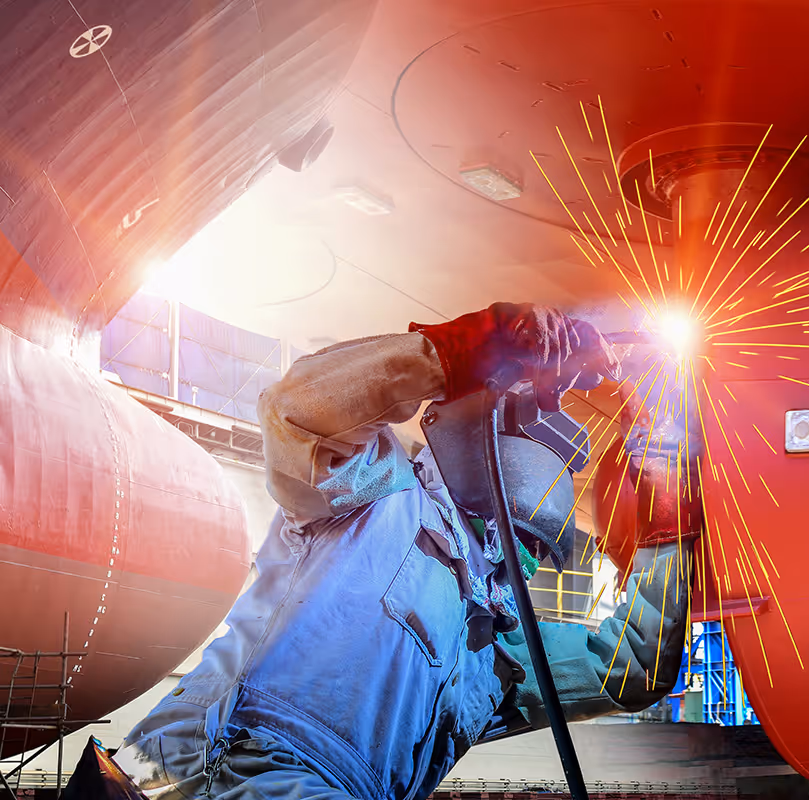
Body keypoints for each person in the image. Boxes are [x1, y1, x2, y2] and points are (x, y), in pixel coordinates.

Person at [111, 303, 703, 800]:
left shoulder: (492, 652)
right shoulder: (373, 496)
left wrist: (668, 528)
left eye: (529, 546)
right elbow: (296, 412)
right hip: (211, 766)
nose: (522, 555)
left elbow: (632, 670)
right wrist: (475, 346)